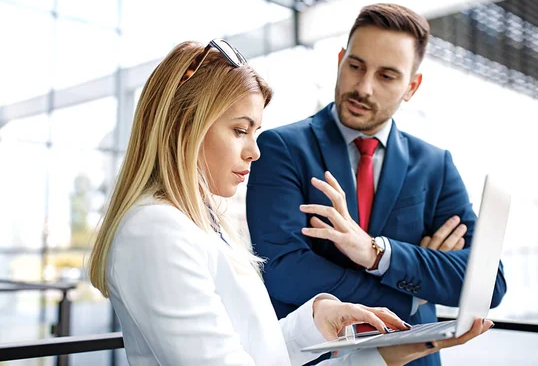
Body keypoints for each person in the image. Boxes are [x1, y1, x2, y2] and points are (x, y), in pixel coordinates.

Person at [87, 40, 493, 366]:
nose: (254, 152)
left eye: (256, 131)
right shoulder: (158, 231)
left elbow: (255, 351)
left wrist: (316, 318)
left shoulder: (200, 223)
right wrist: (378, 357)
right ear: (184, 127)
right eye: (240, 130)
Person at [246, 3, 507, 366]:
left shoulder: (435, 166)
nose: (363, 87)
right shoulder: (281, 148)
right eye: (355, 66)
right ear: (340, 60)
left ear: (411, 87)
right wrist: (413, 295)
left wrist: (377, 254)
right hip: (318, 357)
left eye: (386, 76)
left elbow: (488, 283)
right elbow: (284, 271)